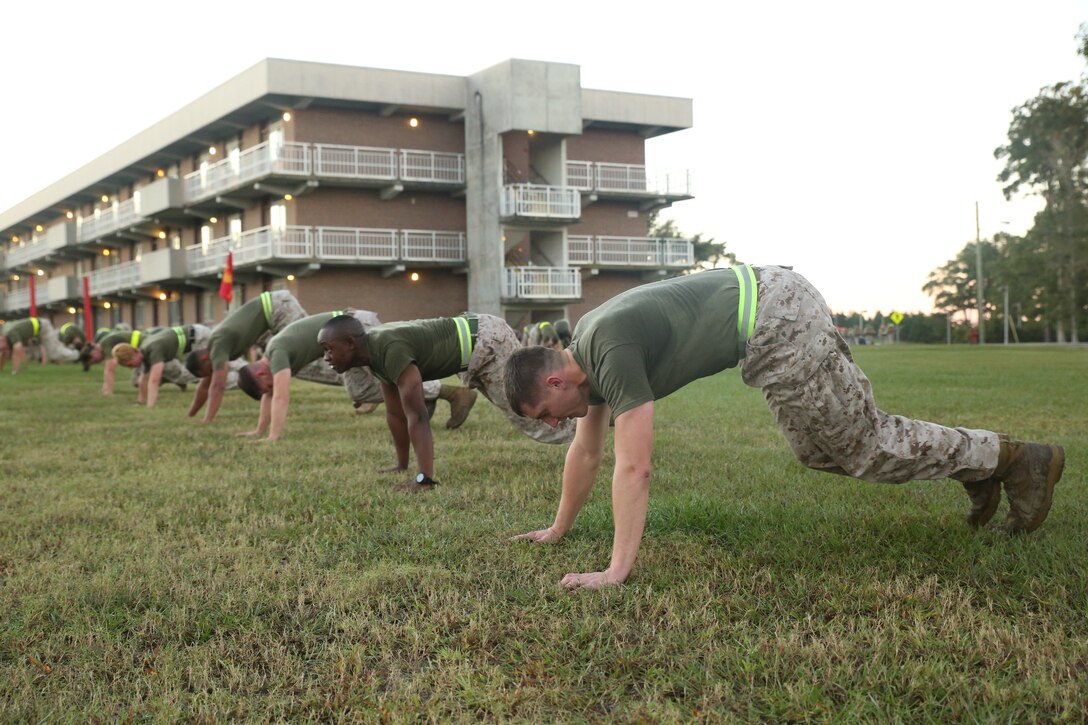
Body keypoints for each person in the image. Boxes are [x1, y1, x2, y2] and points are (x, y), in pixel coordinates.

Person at [503, 265, 1066, 590]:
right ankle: (979, 467)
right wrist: (557, 530)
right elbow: (586, 454)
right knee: (818, 449)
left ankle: (1014, 460)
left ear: (554, 384)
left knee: (863, 447)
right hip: (767, 324)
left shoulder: (608, 347)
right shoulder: (590, 370)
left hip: (776, 316)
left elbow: (634, 465)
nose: (554, 425)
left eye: (545, 415)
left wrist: (615, 570)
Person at [318, 313, 575, 492]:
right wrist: (401, 466)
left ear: (351, 344)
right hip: (479, 339)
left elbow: (417, 416)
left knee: (533, 417)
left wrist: (424, 479)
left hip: (486, 344)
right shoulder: (374, 356)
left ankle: (598, 415)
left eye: (329, 348)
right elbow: (396, 415)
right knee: (535, 408)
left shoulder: (388, 349)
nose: (326, 357)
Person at [235, 310, 476, 442]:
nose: (271, 389)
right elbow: (270, 396)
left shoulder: (275, 352)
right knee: (359, 390)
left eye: (266, 385)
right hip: (342, 337)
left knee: (393, 372)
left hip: (353, 328)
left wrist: (273, 436)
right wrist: (259, 431)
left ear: (261, 371)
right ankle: (429, 395)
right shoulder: (273, 353)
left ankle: (454, 393)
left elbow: (280, 398)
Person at [184, 290, 308, 423]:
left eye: (209, 371)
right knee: (299, 357)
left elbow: (217, 386)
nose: (213, 373)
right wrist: (192, 413)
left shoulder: (218, 345)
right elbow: (204, 385)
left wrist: (207, 419)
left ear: (204, 359)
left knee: (309, 349)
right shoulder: (216, 346)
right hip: (272, 314)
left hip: (276, 307)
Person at [111, 324, 212, 407]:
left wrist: (150, 406)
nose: (131, 367)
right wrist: (140, 402)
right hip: (194, 339)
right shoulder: (144, 351)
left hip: (199, 337)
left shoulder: (153, 350)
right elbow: (143, 380)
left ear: (134, 352)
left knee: (214, 369)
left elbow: (154, 381)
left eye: (130, 364)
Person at [0, 317, 80, 374]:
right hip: (41, 328)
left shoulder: (11, 334)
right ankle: (76, 354)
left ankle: (78, 355)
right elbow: (3, 354)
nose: (2, 349)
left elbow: (17, 351)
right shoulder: (8, 339)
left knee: (54, 354)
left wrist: (15, 371)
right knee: (53, 354)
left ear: (2, 339)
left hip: (43, 328)